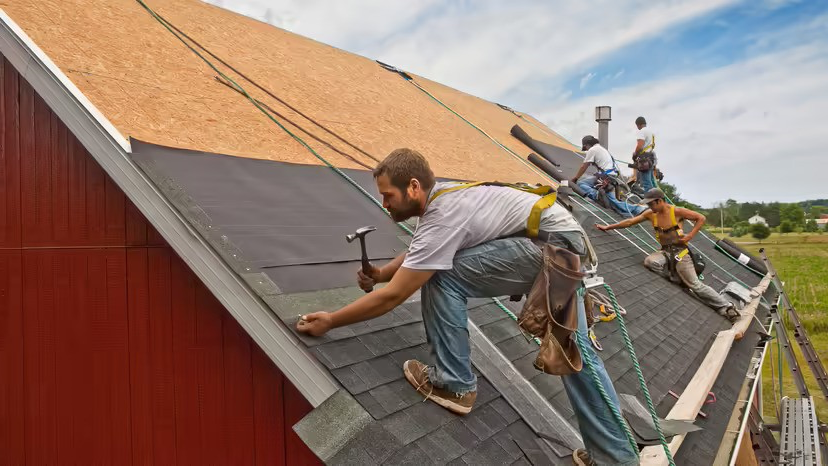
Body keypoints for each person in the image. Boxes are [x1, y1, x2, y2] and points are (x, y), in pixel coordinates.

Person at [297, 148, 638, 465]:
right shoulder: (446, 199)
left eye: (388, 195)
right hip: (564, 248)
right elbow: (424, 246)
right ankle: (614, 455)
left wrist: (331, 319)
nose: (384, 203)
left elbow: (395, 296)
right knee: (574, 352)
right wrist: (383, 272)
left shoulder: (444, 213)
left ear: (413, 187)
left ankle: (454, 383)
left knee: (440, 276)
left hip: (552, 250)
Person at [596, 188, 739, 320]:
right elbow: (630, 222)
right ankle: (677, 278)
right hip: (665, 252)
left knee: (696, 285)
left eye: (652, 204)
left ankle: (727, 308)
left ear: (659, 201)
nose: (650, 207)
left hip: (681, 253)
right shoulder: (651, 214)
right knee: (650, 262)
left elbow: (701, 218)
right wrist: (608, 227)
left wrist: (690, 236)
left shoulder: (676, 211)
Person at [573, 135, 645, 218]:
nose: (586, 150)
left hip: (606, 176)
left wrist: (575, 178)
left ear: (587, 144)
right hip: (611, 176)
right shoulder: (602, 149)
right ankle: (631, 212)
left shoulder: (592, 150)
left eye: (586, 148)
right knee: (613, 203)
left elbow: (584, 166)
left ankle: (597, 195)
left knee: (581, 184)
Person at [632, 116, 657, 192]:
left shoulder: (642, 131)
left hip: (644, 159)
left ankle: (651, 200)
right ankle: (656, 198)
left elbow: (640, 145)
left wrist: (635, 155)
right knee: (651, 181)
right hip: (651, 158)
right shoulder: (651, 133)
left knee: (646, 182)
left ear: (638, 124)